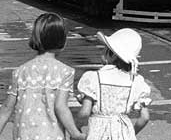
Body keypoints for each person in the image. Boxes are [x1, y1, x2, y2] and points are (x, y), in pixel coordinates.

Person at [0, 12, 85, 140]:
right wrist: (75, 133)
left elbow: (7, 108)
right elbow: (60, 107)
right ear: (63, 40)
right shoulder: (65, 72)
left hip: (23, 135)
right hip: (51, 135)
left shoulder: (20, 71)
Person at [77, 28, 152, 139]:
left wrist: (75, 128)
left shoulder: (93, 78)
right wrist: (130, 134)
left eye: (105, 48)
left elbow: (85, 112)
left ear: (112, 54)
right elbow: (145, 117)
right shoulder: (136, 82)